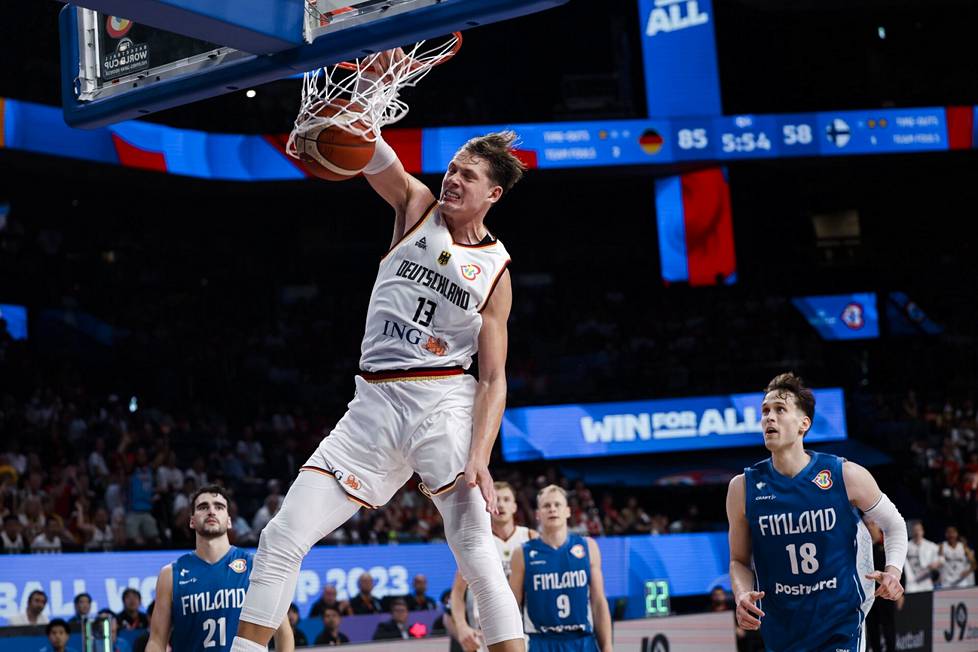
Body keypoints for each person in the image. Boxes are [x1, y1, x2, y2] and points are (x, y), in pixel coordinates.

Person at [230, 50, 526, 651]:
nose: (453, 178)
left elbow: (493, 379)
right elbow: (369, 149)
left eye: (468, 175)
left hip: (443, 400)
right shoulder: (415, 207)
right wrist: (366, 87)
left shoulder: (496, 271)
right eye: (452, 167)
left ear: (492, 193)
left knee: (474, 548)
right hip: (371, 406)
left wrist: (480, 455)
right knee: (281, 535)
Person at [726, 373, 907, 652]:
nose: (769, 418)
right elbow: (739, 560)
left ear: (804, 424)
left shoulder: (844, 474)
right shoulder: (743, 488)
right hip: (782, 625)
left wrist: (893, 571)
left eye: (779, 409)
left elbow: (894, 524)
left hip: (839, 620)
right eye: (765, 411)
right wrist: (741, 596)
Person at [145, 484, 293, 652]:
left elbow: (283, 633)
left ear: (229, 520)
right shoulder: (170, 574)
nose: (211, 511)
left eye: (219, 507)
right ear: (192, 521)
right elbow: (156, 640)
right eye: (203, 507)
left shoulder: (255, 566)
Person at [508, 485, 612, 652]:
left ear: (568, 511)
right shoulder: (522, 553)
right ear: (537, 514)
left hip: (582, 640)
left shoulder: (588, 547)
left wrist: (607, 647)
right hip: (541, 641)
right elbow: (512, 607)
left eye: (557, 505)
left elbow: (599, 602)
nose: (552, 509)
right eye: (546, 506)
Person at [452, 481, 538, 652]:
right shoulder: (477, 542)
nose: (501, 504)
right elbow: (457, 593)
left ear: (514, 506)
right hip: (488, 629)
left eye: (507, 499)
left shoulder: (531, 537)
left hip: (528, 627)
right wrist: (461, 627)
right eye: (496, 499)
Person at [905, 520, 942, 593]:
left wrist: (936, 563)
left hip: (926, 581)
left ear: (923, 531)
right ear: (912, 532)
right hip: (912, 581)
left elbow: (941, 558)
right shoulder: (907, 546)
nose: (917, 532)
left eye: (919, 530)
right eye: (915, 530)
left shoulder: (930, 545)